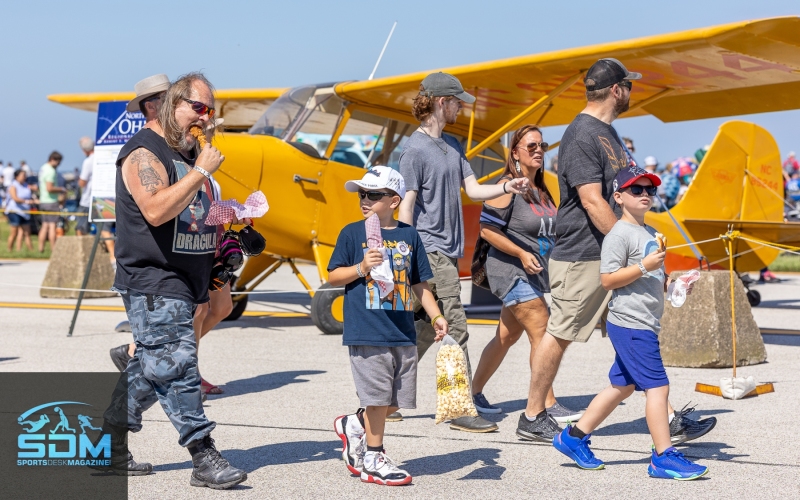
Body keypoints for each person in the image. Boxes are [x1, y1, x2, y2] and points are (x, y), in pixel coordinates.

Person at [522, 58, 716, 445]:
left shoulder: (607, 132)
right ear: (617, 90)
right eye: (629, 85)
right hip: (583, 253)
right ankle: (532, 415)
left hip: (606, 251)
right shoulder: (581, 134)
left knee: (636, 330)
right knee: (560, 332)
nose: (631, 92)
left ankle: (669, 417)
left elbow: (621, 195)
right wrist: (631, 249)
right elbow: (593, 201)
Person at [99, 72, 247, 489]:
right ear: (169, 104)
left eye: (210, 110)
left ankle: (106, 446)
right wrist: (200, 171)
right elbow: (155, 210)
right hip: (153, 279)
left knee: (152, 368)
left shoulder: (187, 151)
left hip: (189, 277)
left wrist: (230, 228)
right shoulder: (143, 154)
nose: (204, 117)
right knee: (180, 365)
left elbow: (193, 212)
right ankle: (204, 456)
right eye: (198, 108)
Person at [553, 166, 708, 480]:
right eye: (636, 190)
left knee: (621, 386)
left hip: (643, 322)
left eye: (649, 190)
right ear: (619, 197)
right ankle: (663, 457)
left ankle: (572, 438)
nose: (645, 195)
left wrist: (677, 288)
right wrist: (642, 265)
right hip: (631, 323)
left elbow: (653, 281)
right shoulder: (618, 235)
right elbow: (608, 280)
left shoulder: (650, 234)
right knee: (658, 387)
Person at [397, 72, 529, 433]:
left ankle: (389, 398)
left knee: (425, 326)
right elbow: (406, 205)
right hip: (429, 249)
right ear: (442, 102)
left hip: (447, 252)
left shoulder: (451, 147)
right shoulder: (414, 150)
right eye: (457, 102)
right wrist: (407, 250)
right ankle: (458, 408)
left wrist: (507, 185)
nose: (461, 108)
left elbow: (472, 190)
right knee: (456, 326)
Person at [332, 166, 448, 486]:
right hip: (366, 329)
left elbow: (420, 284)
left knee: (396, 401)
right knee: (379, 398)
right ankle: (373, 457)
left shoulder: (409, 236)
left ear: (394, 200)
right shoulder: (352, 233)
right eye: (361, 194)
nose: (364, 200)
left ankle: (354, 423)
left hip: (402, 331)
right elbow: (332, 275)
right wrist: (360, 267)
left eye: (373, 195)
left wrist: (436, 316)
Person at [469, 125, 582, 426]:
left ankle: (473, 393)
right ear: (515, 153)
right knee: (542, 332)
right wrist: (520, 253)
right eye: (530, 146)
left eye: (541, 145)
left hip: (535, 275)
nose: (538, 150)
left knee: (507, 336)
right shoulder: (505, 187)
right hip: (510, 271)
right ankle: (546, 404)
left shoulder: (543, 190)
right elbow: (487, 230)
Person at [37, 151, 65, 253]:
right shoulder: (51, 171)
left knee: (44, 226)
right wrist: (61, 189)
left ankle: (41, 248)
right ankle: (54, 250)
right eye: (58, 162)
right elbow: (50, 188)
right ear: (53, 159)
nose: (59, 164)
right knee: (52, 226)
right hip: (51, 201)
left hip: (43, 200)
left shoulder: (43, 168)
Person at [5, 169, 34, 251]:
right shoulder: (13, 186)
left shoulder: (26, 185)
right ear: (16, 176)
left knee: (27, 233)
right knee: (14, 233)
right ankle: (9, 250)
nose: (24, 177)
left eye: (25, 175)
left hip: (25, 212)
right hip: (14, 211)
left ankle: (30, 250)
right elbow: (15, 198)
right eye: (23, 175)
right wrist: (27, 201)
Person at [76, 137, 95, 235]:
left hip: (87, 200)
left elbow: (82, 182)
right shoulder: (101, 157)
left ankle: (81, 250)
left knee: (81, 228)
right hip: (99, 199)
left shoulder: (88, 161)